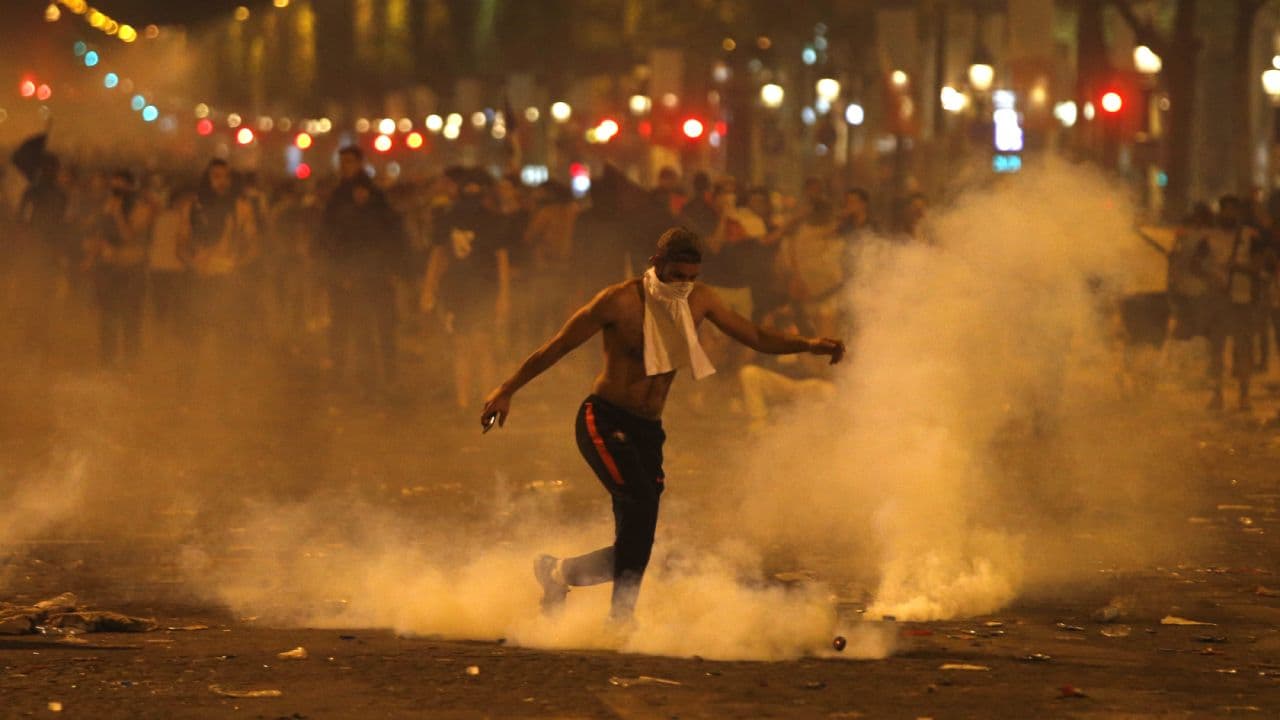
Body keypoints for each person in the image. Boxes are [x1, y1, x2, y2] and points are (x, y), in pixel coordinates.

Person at [479, 227, 845, 623]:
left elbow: (754, 335)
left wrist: (807, 344)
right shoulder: (619, 301)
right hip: (603, 419)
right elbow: (558, 345)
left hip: (648, 430)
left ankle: (558, 572)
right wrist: (507, 388)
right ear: (657, 264)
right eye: (677, 275)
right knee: (640, 505)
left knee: (638, 541)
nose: (685, 284)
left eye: (692, 277)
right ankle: (621, 619)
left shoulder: (700, 300)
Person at [84, 170, 153, 368]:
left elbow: (128, 235)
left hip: (132, 269)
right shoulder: (107, 206)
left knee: (130, 318)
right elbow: (100, 233)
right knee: (108, 317)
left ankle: (131, 364)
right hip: (109, 268)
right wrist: (91, 257)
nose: (116, 192)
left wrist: (117, 213)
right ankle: (107, 362)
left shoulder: (141, 208)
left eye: (121, 187)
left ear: (131, 187)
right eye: (114, 188)